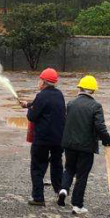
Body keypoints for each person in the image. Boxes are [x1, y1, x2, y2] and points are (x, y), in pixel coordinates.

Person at [60, 74, 110, 215]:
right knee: (82, 175)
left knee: (69, 168)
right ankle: (77, 205)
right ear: (93, 91)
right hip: (86, 147)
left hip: (69, 144)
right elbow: (99, 126)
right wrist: (107, 139)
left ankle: (63, 190)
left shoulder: (71, 104)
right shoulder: (96, 106)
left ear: (80, 88)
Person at [23, 68, 66, 206]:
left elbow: (32, 116)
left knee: (37, 167)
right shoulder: (59, 95)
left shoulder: (41, 96)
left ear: (44, 81)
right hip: (59, 139)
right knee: (56, 165)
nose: (38, 82)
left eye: (40, 79)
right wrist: (30, 104)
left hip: (42, 139)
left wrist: (29, 108)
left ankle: (38, 198)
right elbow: (48, 106)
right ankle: (60, 190)